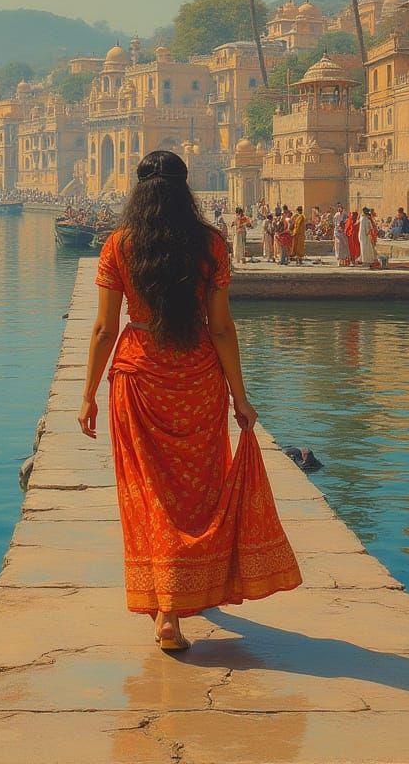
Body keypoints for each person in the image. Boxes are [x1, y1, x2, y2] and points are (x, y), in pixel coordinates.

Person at [78, 150, 301, 650]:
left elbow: (102, 328)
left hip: (138, 379)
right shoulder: (210, 246)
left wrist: (88, 395)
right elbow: (220, 327)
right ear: (186, 190)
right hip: (198, 382)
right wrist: (241, 397)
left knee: (150, 496)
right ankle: (194, 588)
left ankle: (165, 613)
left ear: (139, 192)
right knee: (198, 491)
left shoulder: (120, 246)